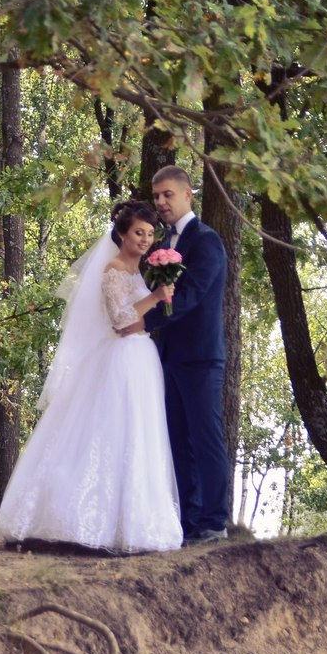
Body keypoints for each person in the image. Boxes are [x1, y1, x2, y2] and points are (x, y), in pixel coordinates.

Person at [0, 200, 182, 554]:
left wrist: (153, 302)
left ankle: (130, 522)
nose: (144, 239)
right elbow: (122, 321)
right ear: (122, 234)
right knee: (104, 433)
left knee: (137, 437)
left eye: (149, 233)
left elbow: (136, 320)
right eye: (138, 232)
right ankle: (75, 520)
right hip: (118, 361)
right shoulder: (112, 268)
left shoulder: (138, 270)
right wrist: (155, 299)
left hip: (140, 359)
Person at [120, 165, 230, 545]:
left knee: (205, 438)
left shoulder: (206, 241)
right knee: (177, 440)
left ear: (188, 195)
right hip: (167, 358)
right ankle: (188, 520)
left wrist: (144, 323)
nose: (161, 202)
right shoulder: (163, 243)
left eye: (168, 194)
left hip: (200, 356)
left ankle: (214, 521)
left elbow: (192, 295)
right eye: (157, 197)